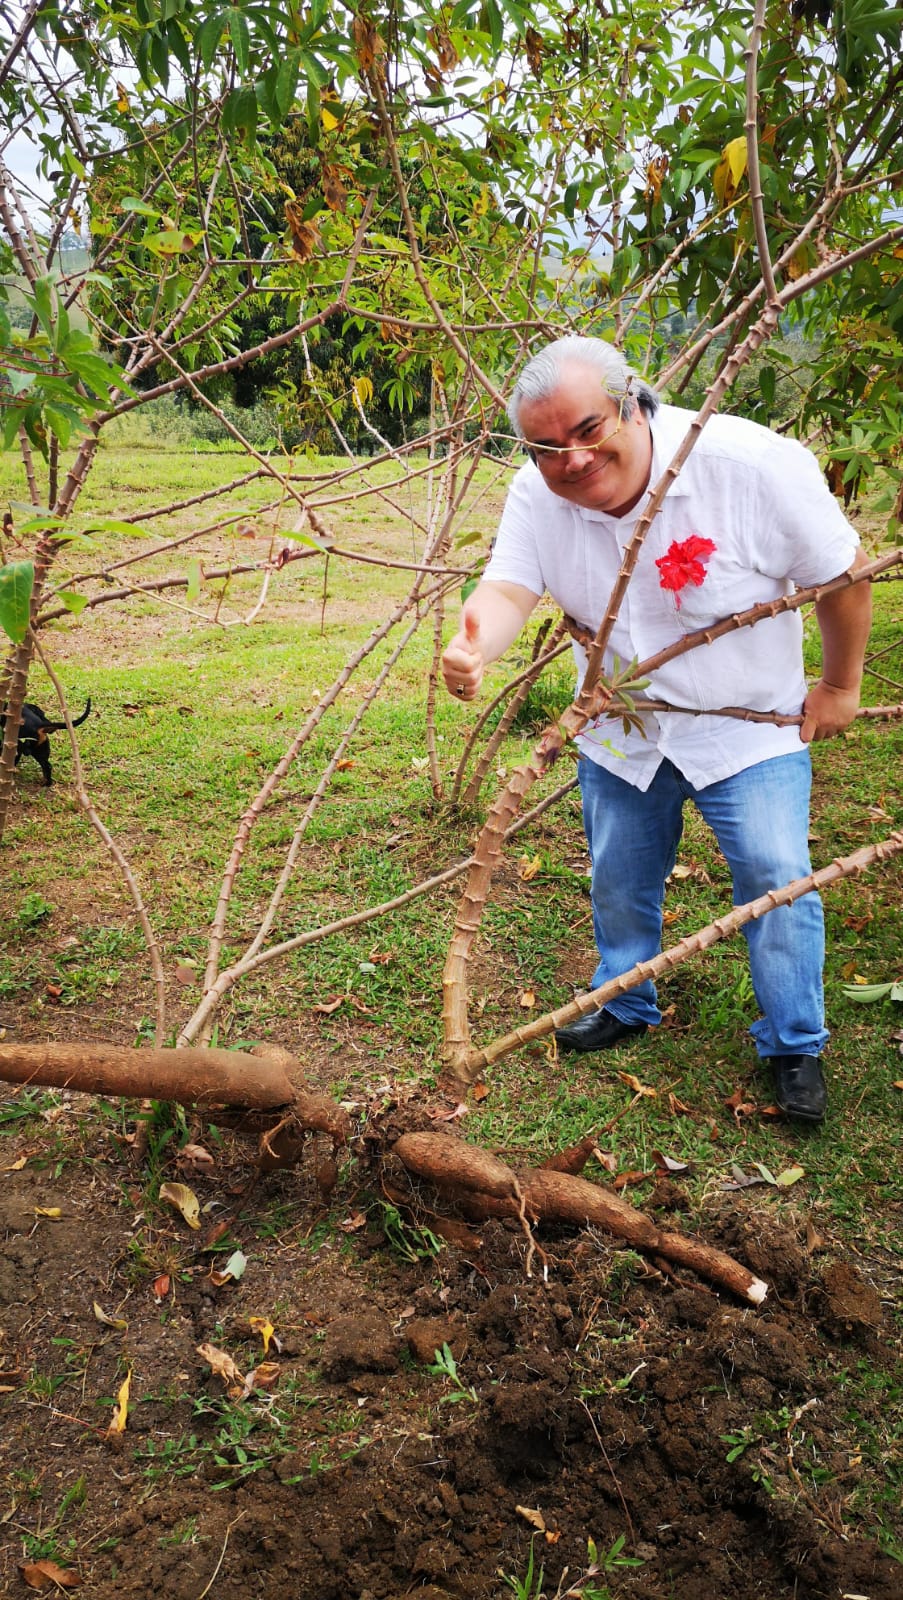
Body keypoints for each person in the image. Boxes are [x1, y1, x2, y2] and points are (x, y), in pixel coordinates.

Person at [441, 335, 872, 1124]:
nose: (572, 459)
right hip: (620, 730)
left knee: (776, 875)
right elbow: (508, 586)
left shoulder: (748, 466)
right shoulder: (535, 494)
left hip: (743, 729)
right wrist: (476, 644)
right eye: (546, 447)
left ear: (635, 405)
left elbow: (841, 576)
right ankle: (624, 999)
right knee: (618, 875)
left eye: (587, 429)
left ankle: (792, 1042)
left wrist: (839, 685)